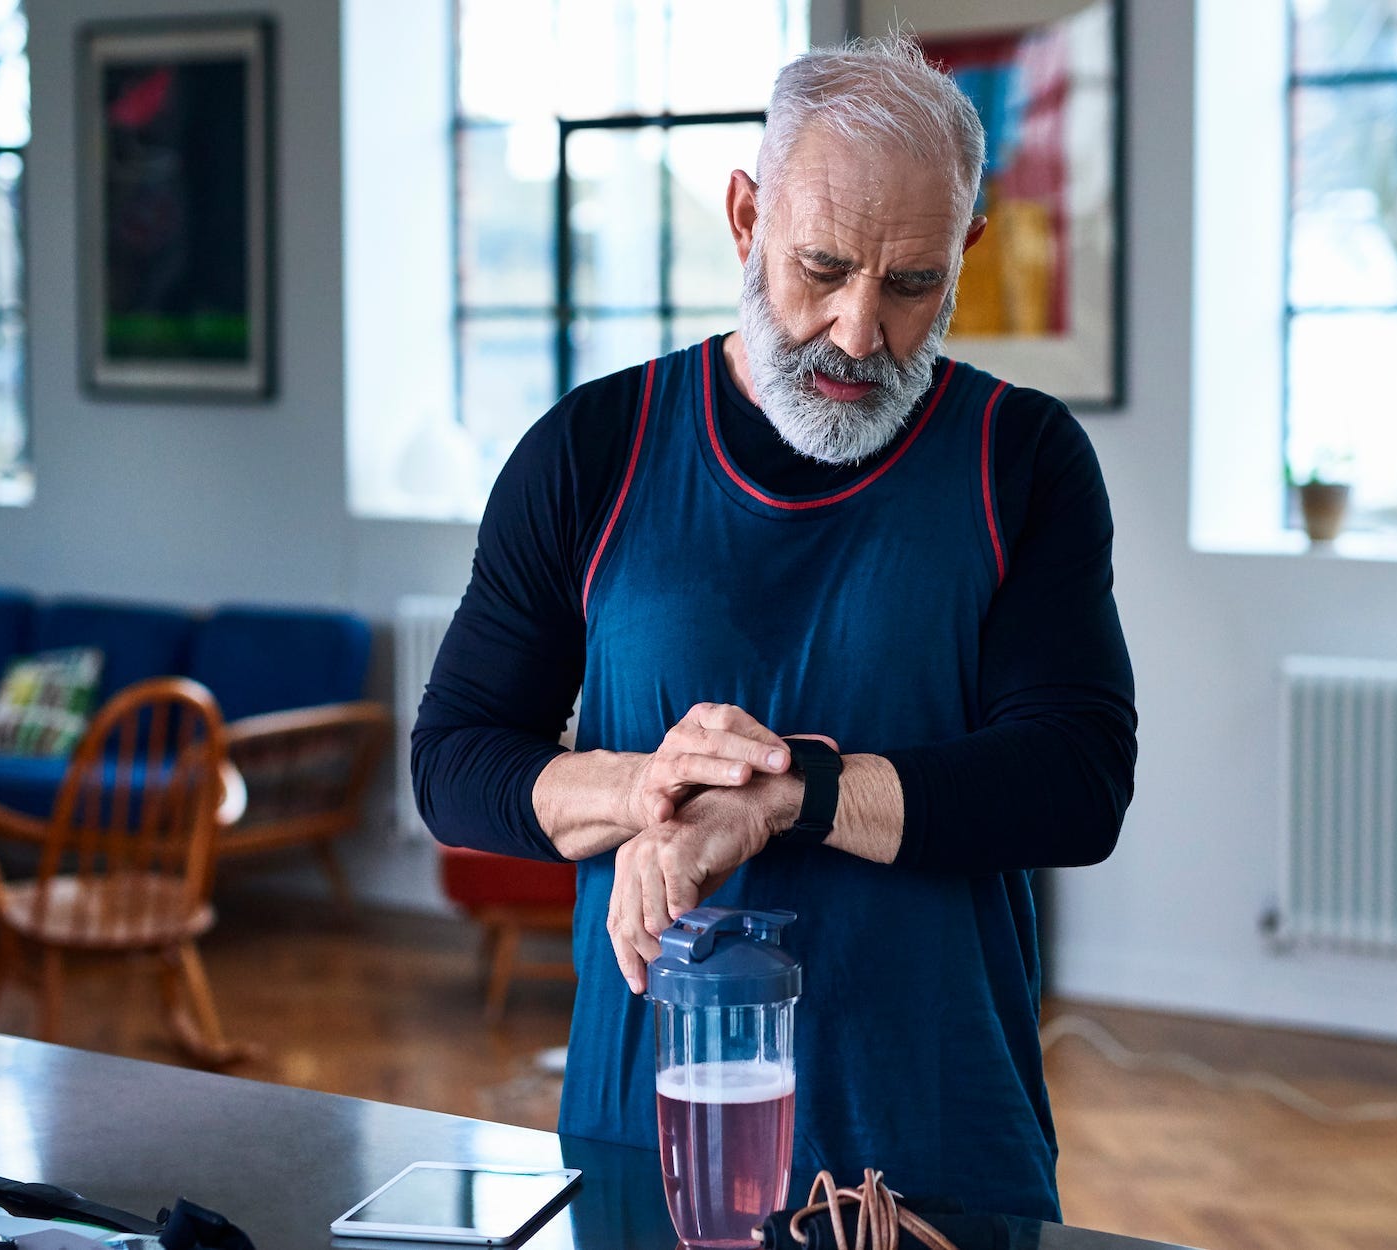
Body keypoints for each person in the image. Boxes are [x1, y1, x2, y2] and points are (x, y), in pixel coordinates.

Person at [412, 35, 1136, 1222]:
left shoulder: (1026, 461)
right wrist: (652, 783)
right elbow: (451, 763)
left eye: (910, 286)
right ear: (745, 218)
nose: (858, 332)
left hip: (940, 1142)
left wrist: (785, 794)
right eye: (824, 267)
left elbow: (1077, 781)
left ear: (965, 252)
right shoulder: (591, 451)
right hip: (651, 1136)